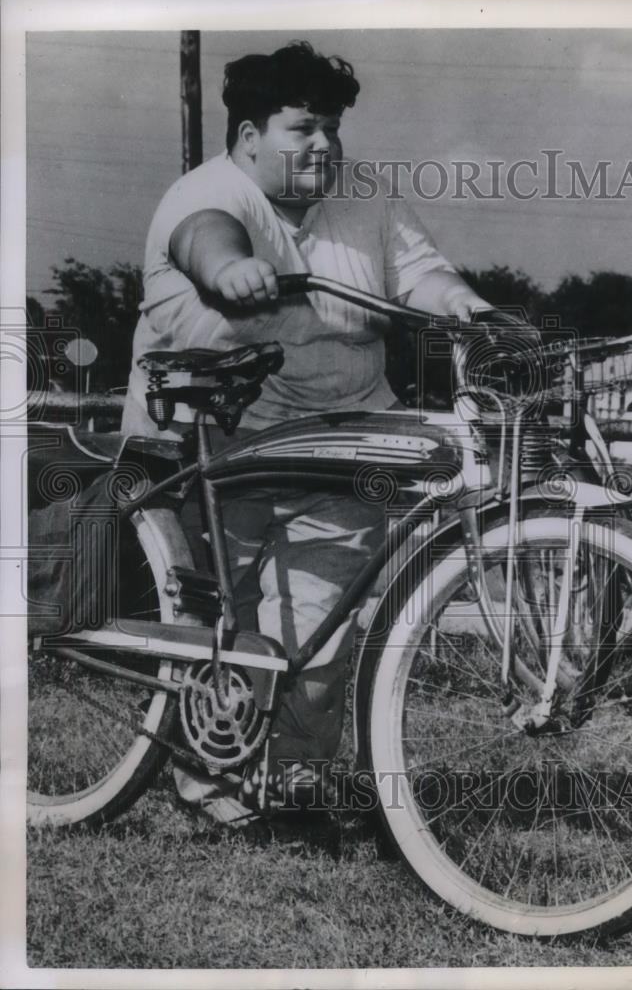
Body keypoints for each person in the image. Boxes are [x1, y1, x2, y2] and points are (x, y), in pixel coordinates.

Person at [121, 41, 493, 826]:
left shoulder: (366, 197)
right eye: (302, 129)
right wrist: (229, 272)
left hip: (343, 440)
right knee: (213, 627)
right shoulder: (211, 191)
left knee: (317, 639)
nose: (323, 145)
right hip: (217, 442)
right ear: (250, 136)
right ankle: (209, 780)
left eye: (330, 128)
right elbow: (203, 234)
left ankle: (289, 783)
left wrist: (468, 307)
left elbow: (420, 272)